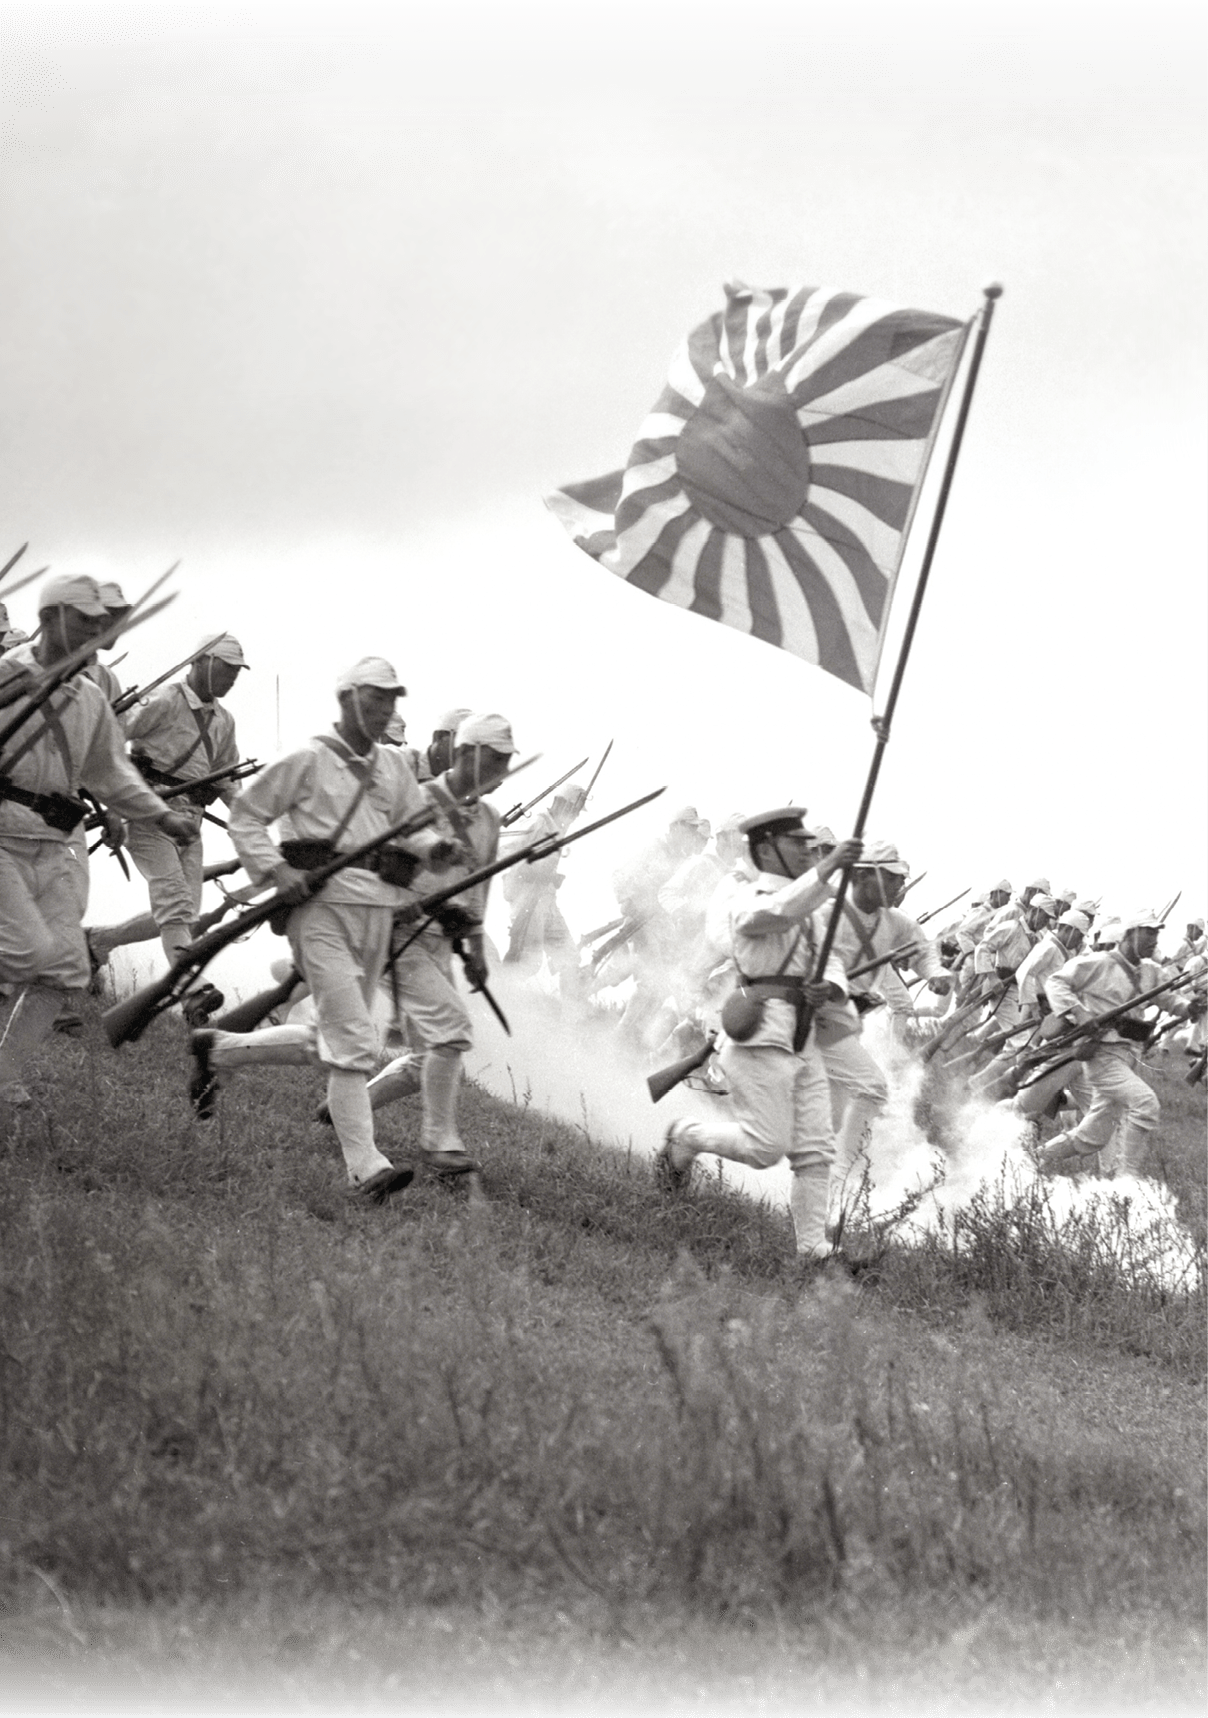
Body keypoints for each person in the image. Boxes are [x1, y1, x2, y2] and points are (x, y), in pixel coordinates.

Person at [187, 656, 455, 1200]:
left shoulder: (394, 768)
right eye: (376, 698)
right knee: (354, 1037)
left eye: (391, 699)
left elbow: (416, 829)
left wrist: (434, 850)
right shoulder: (307, 758)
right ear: (347, 698)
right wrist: (276, 870)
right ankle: (366, 1166)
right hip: (322, 909)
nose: (386, 709)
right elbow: (247, 816)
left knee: (330, 1037)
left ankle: (218, 1050)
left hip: (376, 910)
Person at [0, 574, 194, 1108]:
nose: (95, 628)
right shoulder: (6, 677)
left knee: (63, 968)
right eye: (84, 619)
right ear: (48, 619)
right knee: (23, 951)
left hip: (55, 841)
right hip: (3, 836)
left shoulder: (88, 698)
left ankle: (3, 1075)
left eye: (96, 621)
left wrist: (162, 815)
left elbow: (111, 771)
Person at [654, 807, 861, 1265]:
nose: (809, 852)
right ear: (767, 850)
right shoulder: (748, 897)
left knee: (815, 1150)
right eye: (798, 845)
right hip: (759, 1035)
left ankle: (812, 1248)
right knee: (765, 1148)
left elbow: (831, 961)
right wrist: (827, 870)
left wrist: (831, 987)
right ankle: (685, 1137)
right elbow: (773, 914)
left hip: (802, 1035)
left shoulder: (811, 907)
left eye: (813, 848)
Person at [358, 713, 517, 1171]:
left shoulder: (489, 818)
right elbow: (379, 863)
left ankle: (349, 1107)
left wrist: (475, 946)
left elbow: (478, 888)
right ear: (467, 754)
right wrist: (400, 901)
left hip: (440, 943)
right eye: (496, 759)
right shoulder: (418, 798)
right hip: (397, 936)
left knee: (430, 1052)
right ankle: (438, 1143)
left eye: (507, 760)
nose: (503, 769)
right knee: (451, 1029)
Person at [88, 632, 250, 1023]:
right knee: (175, 904)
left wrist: (247, 820)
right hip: (150, 813)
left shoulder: (224, 721)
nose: (232, 678)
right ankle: (191, 991)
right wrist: (126, 783)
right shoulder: (165, 700)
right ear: (202, 663)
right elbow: (111, 734)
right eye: (226, 669)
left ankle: (96, 942)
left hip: (190, 824)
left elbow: (228, 777)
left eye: (236, 672)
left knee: (183, 916)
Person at [815, 841, 952, 1215]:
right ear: (862, 876)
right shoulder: (827, 914)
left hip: (847, 1025)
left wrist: (936, 974)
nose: (898, 888)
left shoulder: (894, 923)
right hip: (817, 1020)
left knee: (829, 1116)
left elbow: (922, 949)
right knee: (873, 1088)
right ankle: (839, 1184)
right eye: (892, 880)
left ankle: (820, 1190)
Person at [1038, 912, 1189, 1178]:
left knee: (1092, 1137)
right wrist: (1080, 1013)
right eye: (1148, 933)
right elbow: (1056, 982)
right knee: (1146, 1104)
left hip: (1128, 1057)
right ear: (1129, 935)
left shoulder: (1151, 972)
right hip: (1102, 1056)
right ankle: (1125, 1182)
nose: (1153, 940)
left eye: (1156, 934)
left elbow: (1171, 1002)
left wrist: (1192, 1007)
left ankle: (1034, 1159)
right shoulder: (1098, 963)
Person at [500, 781, 587, 980]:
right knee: (527, 963)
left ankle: (571, 1011)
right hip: (527, 900)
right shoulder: (539, 823)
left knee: (569, 958)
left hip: (546, 901)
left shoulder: (558, 828)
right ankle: (500, 997)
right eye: (574, 809)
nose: (575, 815)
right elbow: (507, 853)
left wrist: (549, 877)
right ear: (560, 804)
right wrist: (537, 872)